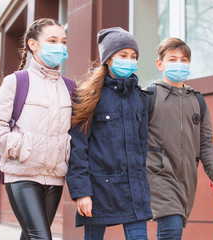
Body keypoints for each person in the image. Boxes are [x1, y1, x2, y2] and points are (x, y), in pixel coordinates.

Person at [0, 18, 73, 240]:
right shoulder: (17, 81)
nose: (60, 46)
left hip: (54, 178)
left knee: (30, 235)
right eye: (52, 40)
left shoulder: (70, 87)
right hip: (22, 175)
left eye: (63, 41)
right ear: (33, 45)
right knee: (42, 237)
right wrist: (22, 149)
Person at [66, 27, 152, 240]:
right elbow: (78, 148)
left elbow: (142, 148)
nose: (129, 61)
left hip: (135, 190)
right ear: (108, 59)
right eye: (123, 55)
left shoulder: (140, 98)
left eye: (133, 56)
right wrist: (82, 192)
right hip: (98, 191)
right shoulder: (88, 96)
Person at [145, 37, 213, 240]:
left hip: (186, 179)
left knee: (173, 229)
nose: (178, 64)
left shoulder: (197, 100)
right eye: (172, 59)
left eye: (183, 59)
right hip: (157, 174)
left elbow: (206, 143)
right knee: (171, 229)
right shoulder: (149, 95)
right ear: (160, 64)